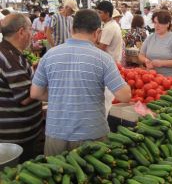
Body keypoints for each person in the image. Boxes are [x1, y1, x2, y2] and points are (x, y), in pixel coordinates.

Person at [30, 9, 131, 156]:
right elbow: (124, 96)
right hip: (91, 134)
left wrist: (63, 94)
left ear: (72, 29)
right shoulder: (103, 59)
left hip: (56, 133)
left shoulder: (49, 55)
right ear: (97, 33)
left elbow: (35, 93)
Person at [0, 13, 43, 162]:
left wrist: (33, 70)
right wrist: (47, 83)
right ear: (21, 32)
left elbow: (15, 81)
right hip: (17, 138)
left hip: (18, 133)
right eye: (30, 30)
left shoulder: (10, 53)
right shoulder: (8, 58)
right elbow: (25, 97)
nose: (32, 34)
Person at [138, 10, 172, 81]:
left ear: (168, 24)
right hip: (151, 78)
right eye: (155, 22)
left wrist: (162, 63)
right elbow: (141, 55)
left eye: (160, 23)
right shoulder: (150, 38)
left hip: (169, 80)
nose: (157, 26)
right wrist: (146, 60)